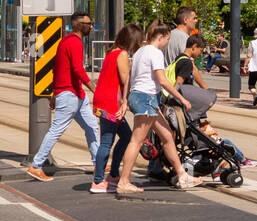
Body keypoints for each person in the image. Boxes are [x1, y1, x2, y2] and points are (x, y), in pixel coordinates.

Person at [115, 25, 201, 193]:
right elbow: (162, 80)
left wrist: (125, 100)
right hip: (146, 98)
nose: (167, 43)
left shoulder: (140, 51)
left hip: (144, 98)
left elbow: (129, 78)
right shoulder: (155, 53)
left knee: (167, 135)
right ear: (161, 36)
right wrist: (182, 98)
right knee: (137, 141)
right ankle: (123, 181)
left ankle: (182, 175)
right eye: (167, 39)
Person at [26, 11, 101, 182]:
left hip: (75, 93)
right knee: (56, 130)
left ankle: (98, 163)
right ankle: (36, 166)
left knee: (91, 127)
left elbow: (57, 68)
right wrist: (93, 87)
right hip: (69, 94)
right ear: (78, 25)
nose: (91, 26)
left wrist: (54, 93)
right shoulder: (74, 42)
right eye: (89, 23)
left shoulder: (65, 41)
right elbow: (77, 69)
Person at [90, 23, 142, 194]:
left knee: (127, 137)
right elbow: (126, 79)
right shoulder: (122, 54)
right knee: (107, 141)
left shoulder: (112, 52)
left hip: (104, 99)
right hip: (111, 102)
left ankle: (113, 175)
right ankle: (98, 181)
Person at [170, 32, 217, 122]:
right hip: (183, 104)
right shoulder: (187, 63)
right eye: (200, 50)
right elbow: (178, 84)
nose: (200, 54)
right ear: (194, 46)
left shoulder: (179, 57)